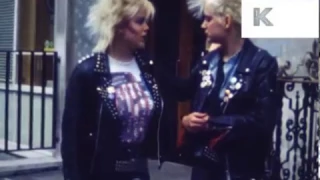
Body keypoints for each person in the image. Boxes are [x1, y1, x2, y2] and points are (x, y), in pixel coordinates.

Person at [61, 0, 173, 179]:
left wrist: (214, 56)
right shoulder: (88, 73)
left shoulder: (147, 68)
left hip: (139, 173)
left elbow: (183, 89)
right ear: (119, 24)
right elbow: (72, 143)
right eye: (140, 21)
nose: (146, 28)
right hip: (102, 173)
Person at [176, 0, 279, 179]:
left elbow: (263, 122)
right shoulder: (208, 61)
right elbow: (186, 92)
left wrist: (212, 123)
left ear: (227, 21)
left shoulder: (261, 63)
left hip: (240, 170)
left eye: (208, 19)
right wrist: (187, 121)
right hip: (204, 168)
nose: (203, 25)